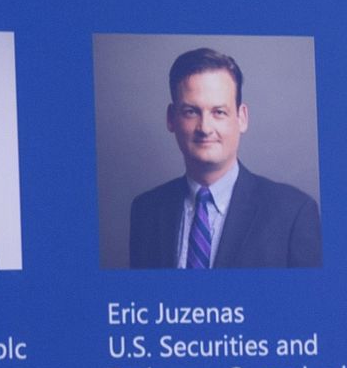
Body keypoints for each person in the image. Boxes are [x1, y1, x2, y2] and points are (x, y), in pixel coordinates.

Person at [127, 47, 322, 269]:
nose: (205, 128)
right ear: (171, 118)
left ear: (242, 118)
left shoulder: (293, 214)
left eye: (219, 112)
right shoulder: (146, 211)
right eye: (191, 111)